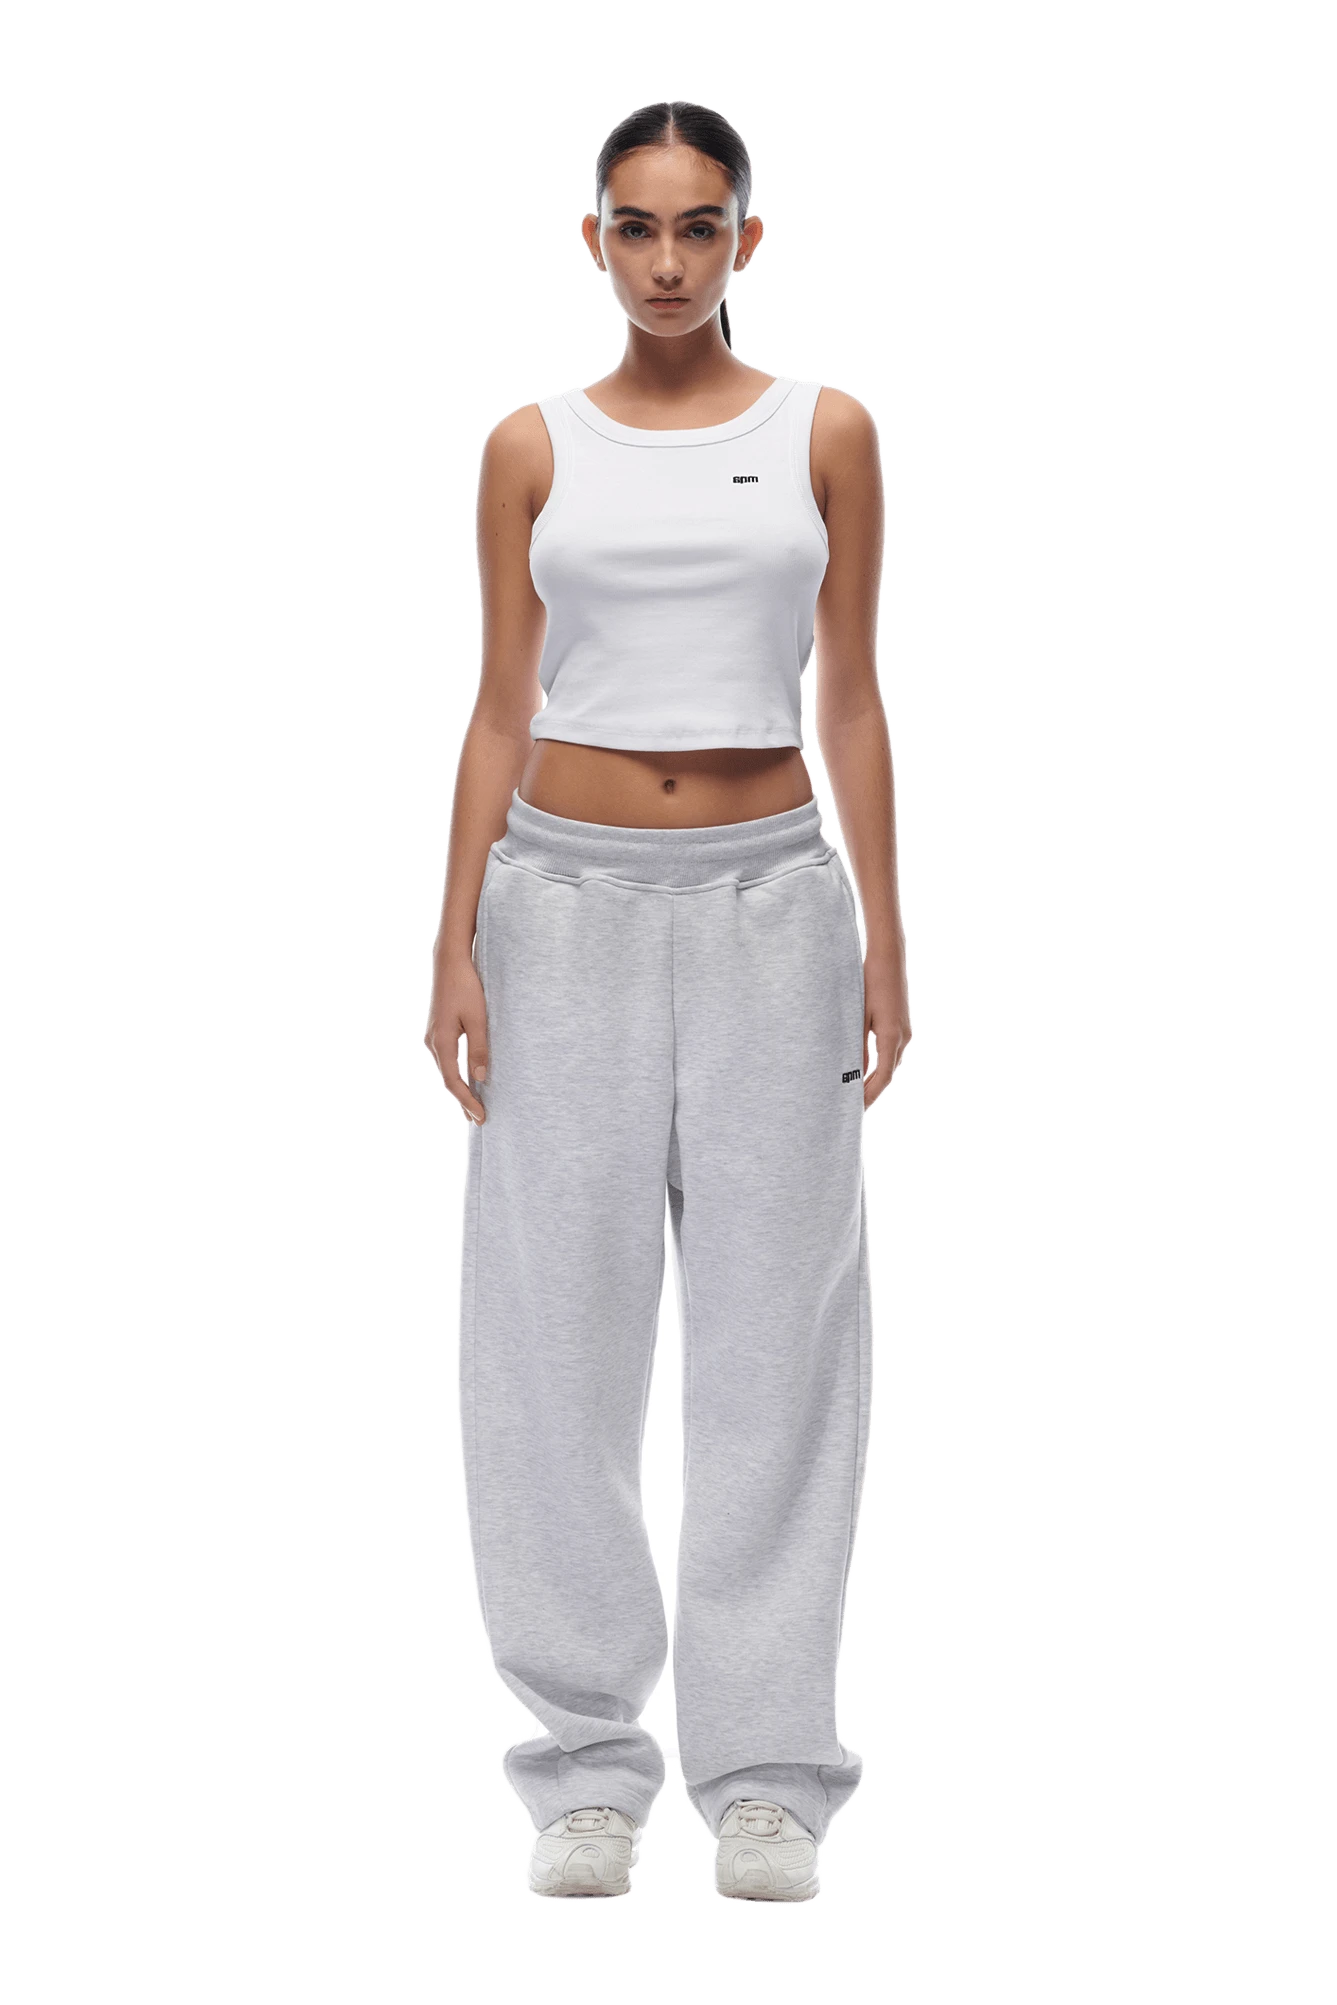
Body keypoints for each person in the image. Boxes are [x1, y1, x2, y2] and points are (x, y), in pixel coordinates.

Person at [426, 99, 910, 1903]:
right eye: (637, 227)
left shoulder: (826, 432)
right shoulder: (530, 446)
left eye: (700, 226)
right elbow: (500, 699)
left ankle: (768, 1771)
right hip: (562, 904)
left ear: (748, 240)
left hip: (774, 900)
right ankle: (584, 1769)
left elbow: (850, 694)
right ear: (593, 241)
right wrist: (456, 936)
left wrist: (884, 932)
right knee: (553, 1341)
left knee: (780, 1342)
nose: (667, 260)